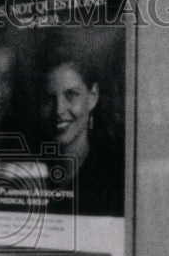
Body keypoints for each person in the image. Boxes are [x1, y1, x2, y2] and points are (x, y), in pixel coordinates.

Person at [37, 45, 125, 217]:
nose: (58, 110)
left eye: (71, 95)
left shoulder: (114, 177)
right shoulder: (30, 171)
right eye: (49, 98)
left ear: (92, 97)